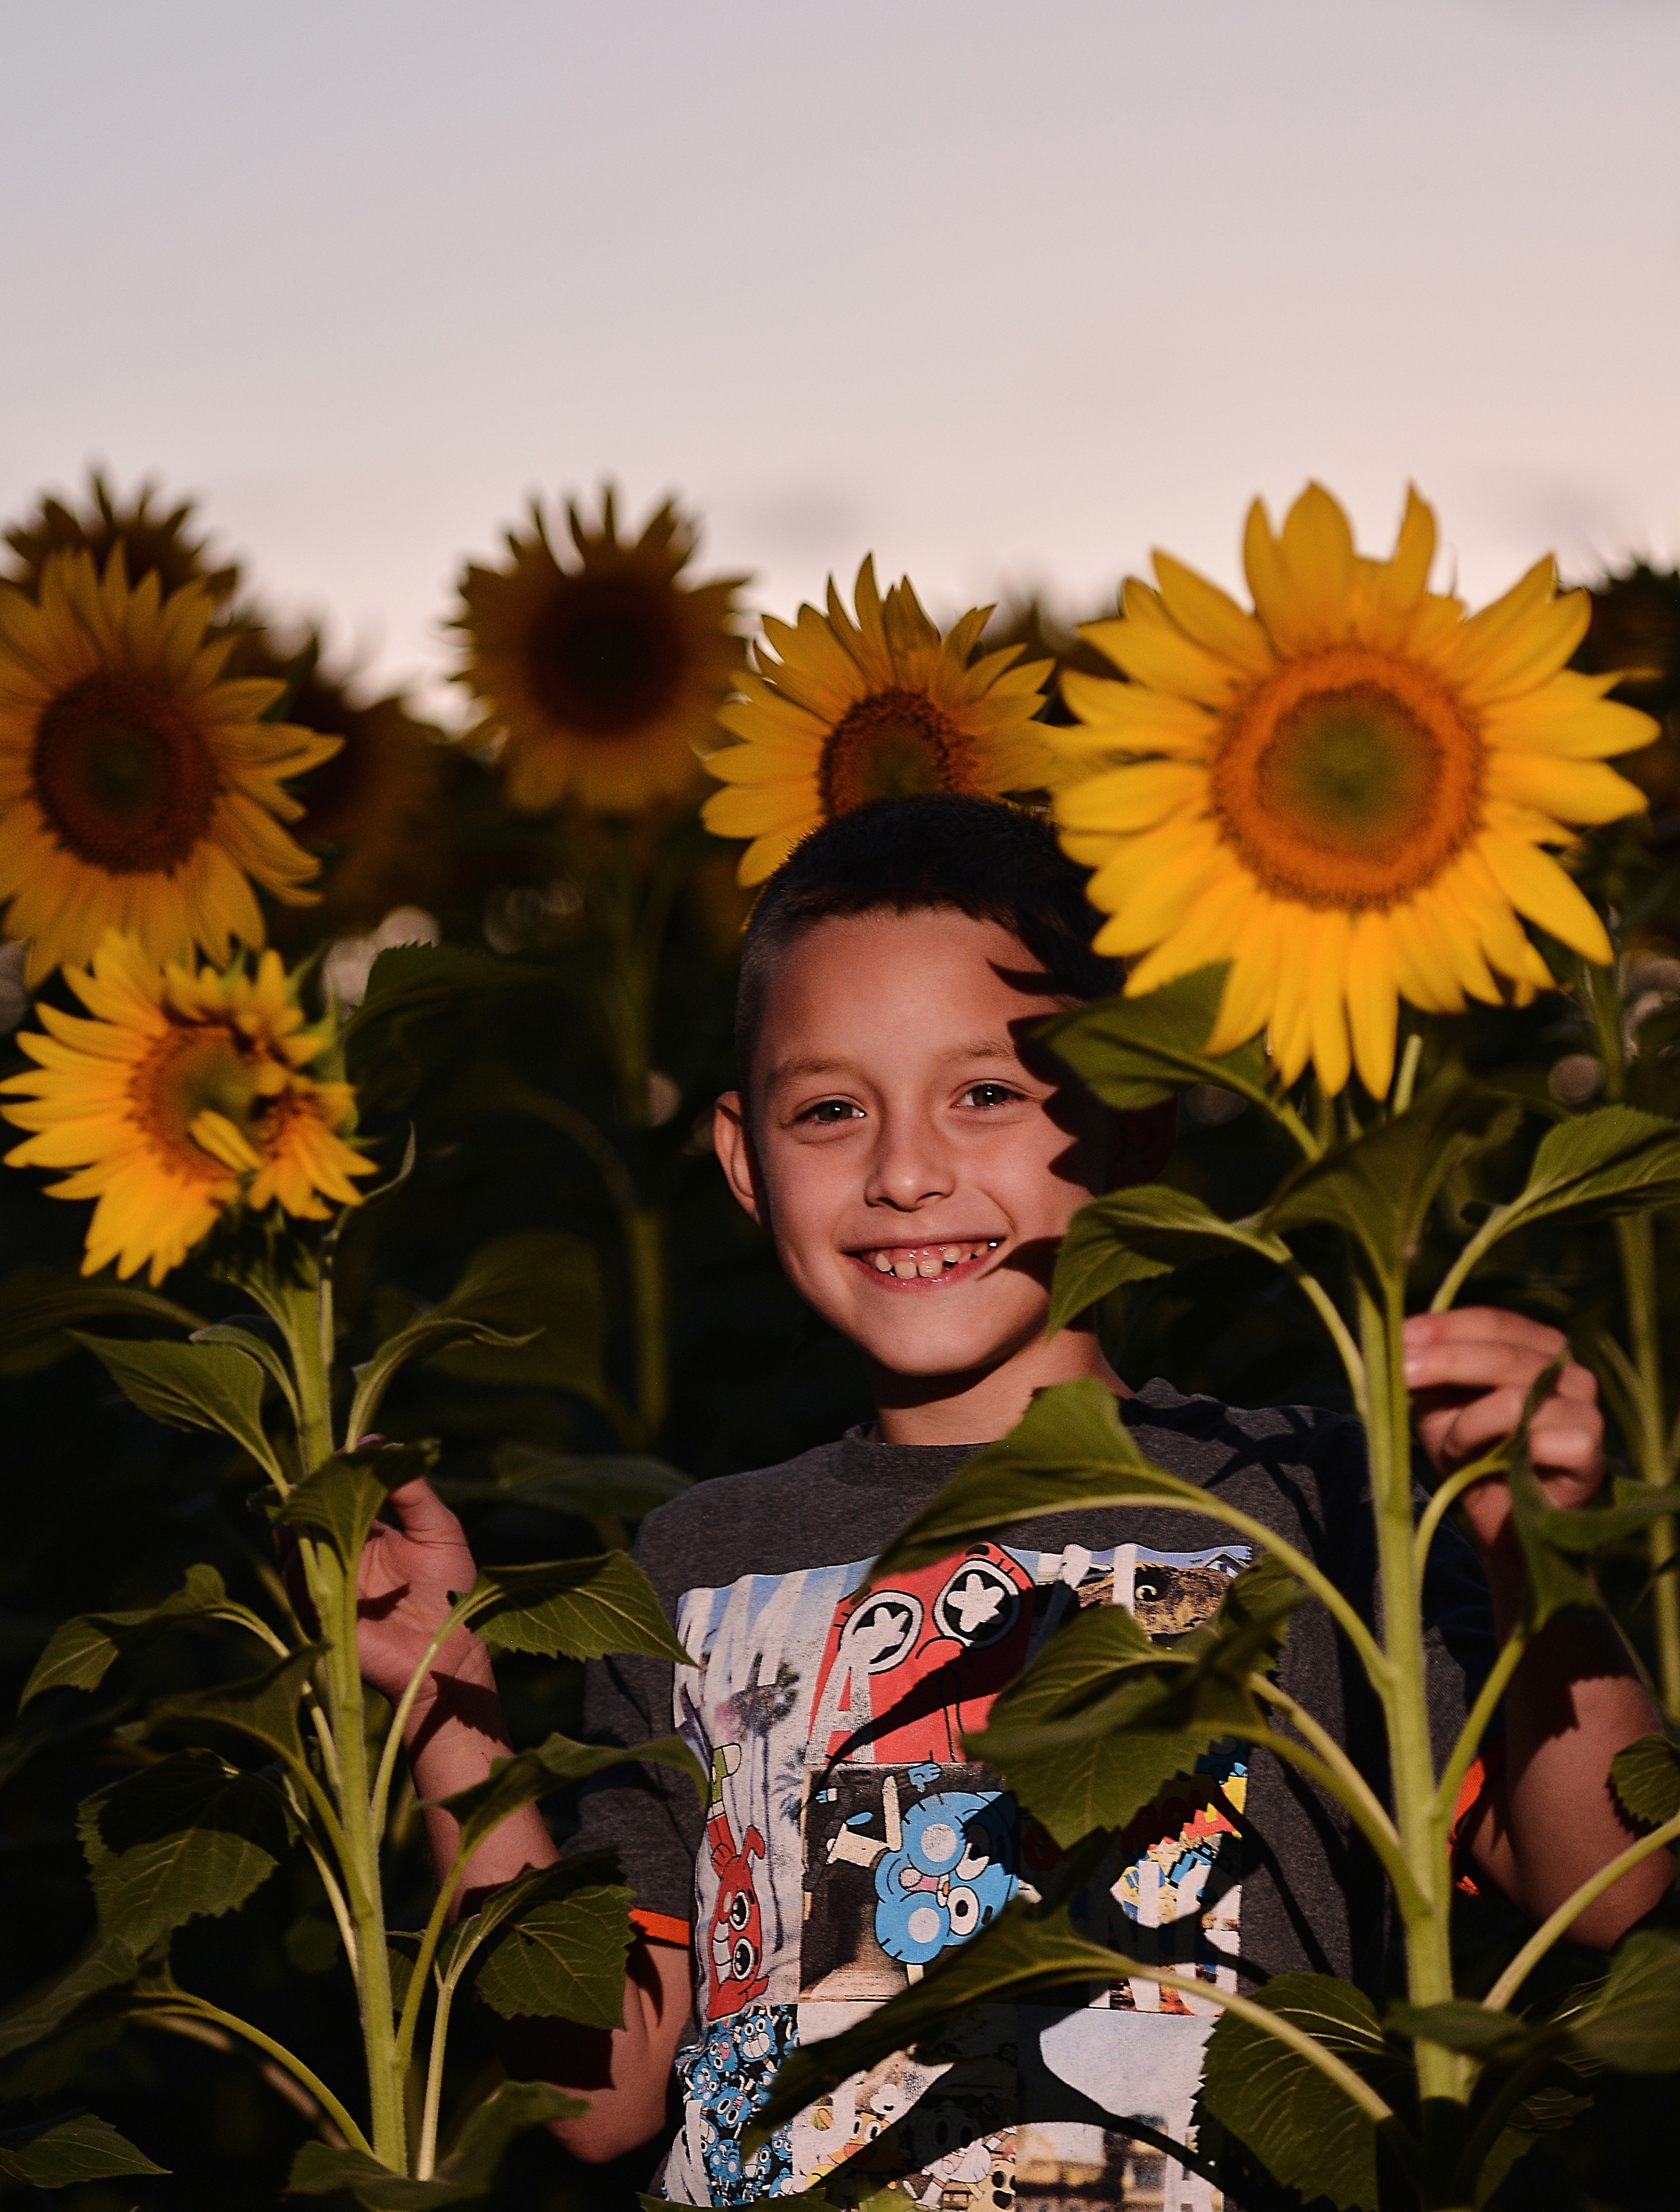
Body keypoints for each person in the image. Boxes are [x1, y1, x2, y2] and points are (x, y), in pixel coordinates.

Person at [354, 794, 1667, 2206]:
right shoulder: (695, 1562)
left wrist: (1537, 1557)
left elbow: (1609, 1889)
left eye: (986, 1093)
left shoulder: (1298, 1494)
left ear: (1136, 1119)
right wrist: (448, 1694)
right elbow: (597, 2095)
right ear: (742, 1160)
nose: (906, 1173)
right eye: (830, 1110)